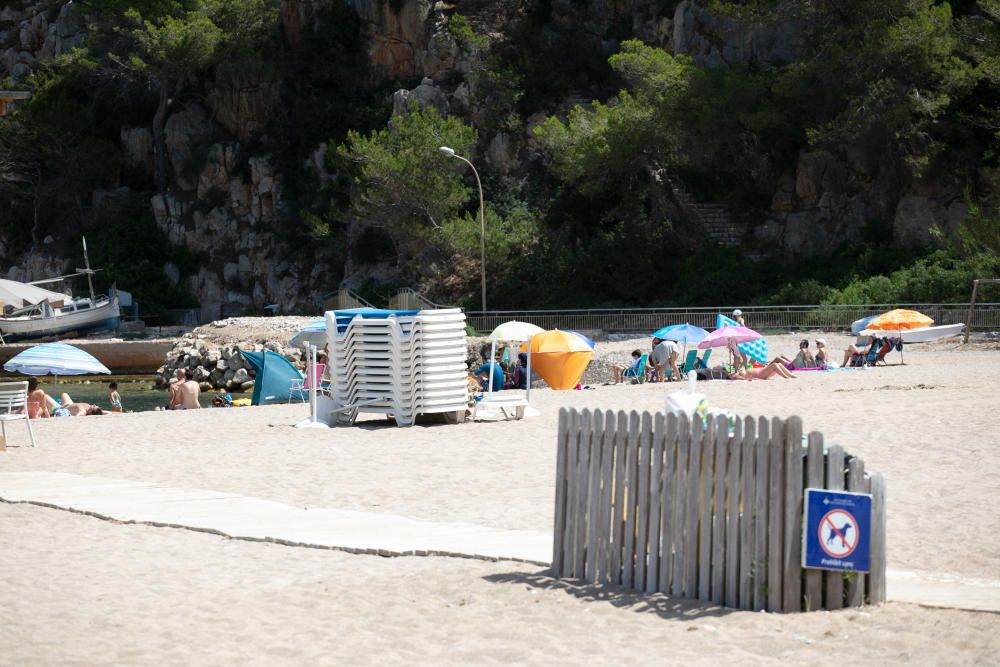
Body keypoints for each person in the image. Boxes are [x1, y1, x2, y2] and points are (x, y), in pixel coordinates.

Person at [731, 359, 797, 380]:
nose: (739, 363)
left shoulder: (740, 369)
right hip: (760, 375)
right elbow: (734, 377)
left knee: (778, 364)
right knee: (774, 365)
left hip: (762, 371)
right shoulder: (736, 374)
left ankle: (791, 375)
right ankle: (786, 377)